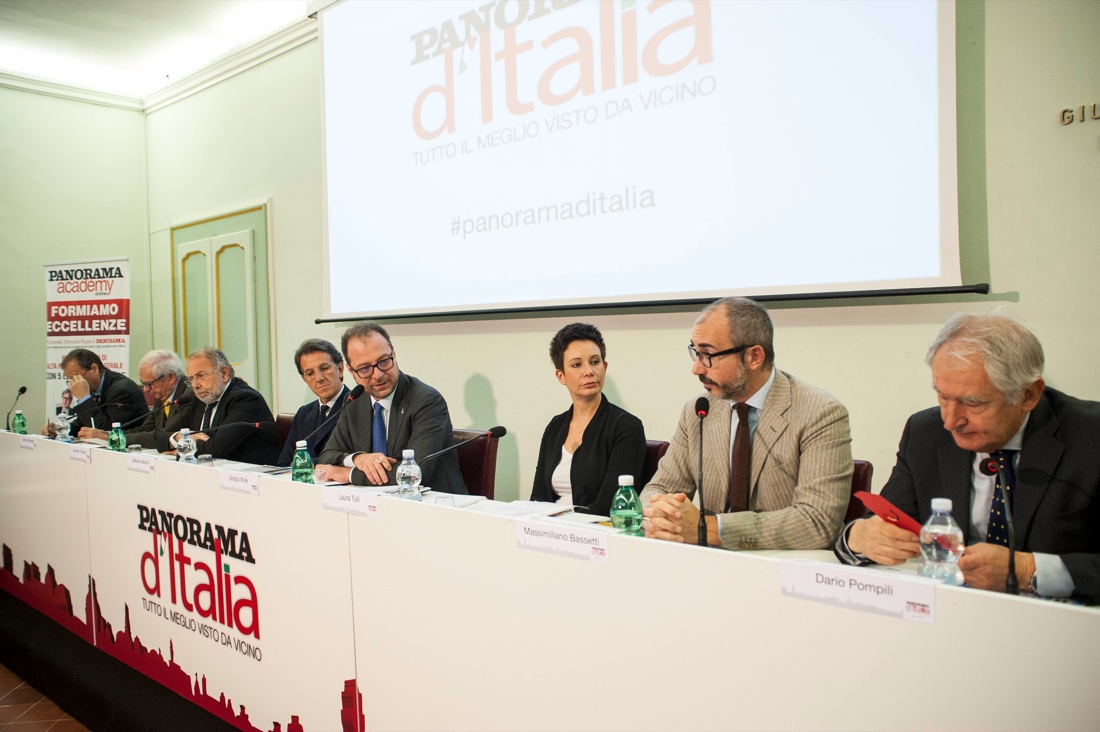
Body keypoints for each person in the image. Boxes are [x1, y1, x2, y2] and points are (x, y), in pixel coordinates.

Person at [835, 314, 1100, 603]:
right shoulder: (926, 432)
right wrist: (859, 537)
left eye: (972, 403)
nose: (950, 421)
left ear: (1028, 395)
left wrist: (1027, 569)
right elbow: (886, 521)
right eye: (942, 397)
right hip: (952, 614)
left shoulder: (1090, 436)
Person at [641, 297, 852, 550]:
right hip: (707, 565)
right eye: (695, 353)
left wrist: (708, 528)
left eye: (707, 354)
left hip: (783, 572)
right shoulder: (698, 410)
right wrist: (663, 515)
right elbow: (659, 489)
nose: (696, 368)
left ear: (754, 356)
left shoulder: (820, 413)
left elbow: (817, 522)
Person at [315, 322, 467, 493]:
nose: (378, 375)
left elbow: (413, 473)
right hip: (377, 507)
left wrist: (349, 474)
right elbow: (327, 456)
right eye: (365, 369)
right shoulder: (355, 401)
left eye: (384, 361)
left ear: (394, 354)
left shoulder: (427, 401)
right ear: (351, 371)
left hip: (433, 506)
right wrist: (359, 459)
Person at [529, 323, 646, 516]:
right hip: (550, 531)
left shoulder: (626, 427)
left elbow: (609, 505)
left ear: (604, 367)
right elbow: (538, 497)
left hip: (596, 534)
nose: (589, 371)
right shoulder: (555, 427)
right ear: (561, 375)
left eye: (595, 361)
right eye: (576, 365)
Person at [170, 348, 278, 465]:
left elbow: (215, 450)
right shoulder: (201, 398)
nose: (195, 385)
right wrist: (178, 437)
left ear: (224, 374)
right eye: (191, 379)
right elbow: (163, 435)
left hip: (247, 478)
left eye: (201, 375)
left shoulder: (246, 399)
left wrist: (181, 449)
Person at [77, 349, 194, 451]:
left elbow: (164, 435)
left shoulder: (188, 396)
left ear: (170, 377)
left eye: (149, 384)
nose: (146, 390)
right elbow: (145, 429)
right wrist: (110, 434)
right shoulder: (162, 394)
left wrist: (109, 438)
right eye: (143, 384)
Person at [276, 338, 351, 467]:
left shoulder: (357, 406)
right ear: (304, 379)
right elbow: (284, 463)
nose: (319, 378)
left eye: (324, 368)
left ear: (340, 369)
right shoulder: (303, 413)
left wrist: (303, 466)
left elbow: (346, 458)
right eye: (310, 373)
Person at [49, 348, 146, 438]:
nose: (74, 384)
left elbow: (104, 431)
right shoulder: (93, 387)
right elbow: (83, 423)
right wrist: (59, 430)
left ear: (94, 368)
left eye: (76, 377)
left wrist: (84, 398)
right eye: (71, 380)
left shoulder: (122, 390)